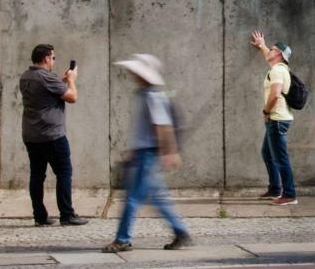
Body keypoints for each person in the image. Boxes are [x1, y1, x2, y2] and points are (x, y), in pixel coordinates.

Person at [102, 54, 191, 253]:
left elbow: (162, 126)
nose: (132, 74)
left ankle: (122, 239)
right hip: (143, 154)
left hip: (148, 155)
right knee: (157, 197)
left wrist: (170, 152)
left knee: (132, 199)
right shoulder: (145, 94)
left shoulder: (152, 96)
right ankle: (181, 232)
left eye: (135, 72)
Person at [19, 44, 88, 227]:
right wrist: (72, 80)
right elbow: (72, 97)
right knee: (64, 173)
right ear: (46, 58)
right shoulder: (46, 77)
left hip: (31, 134)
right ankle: (67, 215)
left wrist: (61, 81)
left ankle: (39, 216)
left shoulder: (26, 76)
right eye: (53, 58)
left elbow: (45, 93)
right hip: (52, 135)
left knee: (37, 175)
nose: (54, 61)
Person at [249, 30, 297, 205]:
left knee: (280, 157)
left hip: (276, 119)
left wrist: (265, 112)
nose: (269, 51)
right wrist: (262, 45)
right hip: (279, 119)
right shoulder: (280, 69)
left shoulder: (277, 71)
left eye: (272, 49)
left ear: (278, 54)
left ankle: (289, 194)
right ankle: (275, 189)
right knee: (268, 154)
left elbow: (275, 94)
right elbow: (270, 58)